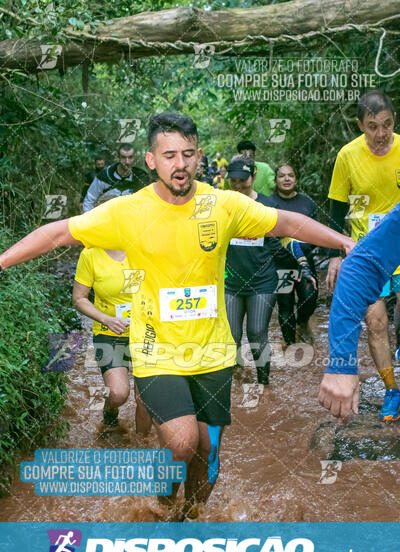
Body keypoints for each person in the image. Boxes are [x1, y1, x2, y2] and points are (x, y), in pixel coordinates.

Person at [0, 111, 354, 519]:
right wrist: (3, 262)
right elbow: (57, 233)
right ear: (152, 160)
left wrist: (343, 241)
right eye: (169, 155)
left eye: (187, 154)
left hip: (214, 353)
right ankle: (164, 504)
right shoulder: (128, 212)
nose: (179, 164)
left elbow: (288, 223)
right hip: (155, 353)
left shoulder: (223, 205)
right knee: (183, 442)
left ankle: (191, 518)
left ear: (199, 156)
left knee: (206, 458)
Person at [326, 90, 400, 421]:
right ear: (360, 125)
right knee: (376, 322)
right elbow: (335, 209)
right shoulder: (347, 156)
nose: (381, 134)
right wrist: (335, 255)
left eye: (387, 125)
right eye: (372, 126)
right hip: (365, 252)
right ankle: (392, 391)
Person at [319, 203, 400, 422]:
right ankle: (392, 389)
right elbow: (357, 268)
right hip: (376, 250)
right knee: (376, 323)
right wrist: (341, 363)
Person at [73, 247, 152, 432]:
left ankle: (142, 447)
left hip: (148, 333)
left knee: (146, 399)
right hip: (110, 333)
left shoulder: (147, 246)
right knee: (118, 394)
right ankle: (109, 413)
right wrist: (106, 319)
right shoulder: (90, 254)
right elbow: (79, 299)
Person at [224, 156, 279, 385]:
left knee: (257, 333)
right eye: (233, 180)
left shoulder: (267, 205)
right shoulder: (223, 205)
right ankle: (235, 379)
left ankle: (264, 384)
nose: (237, 185)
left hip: (262, 281)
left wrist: (303, 266)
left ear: (254, 177)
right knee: (231, 336)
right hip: (229, 282)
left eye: (242, 180)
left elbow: (281, 241)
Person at [268, 164, 318, 345]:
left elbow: (317, 230)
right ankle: (290, 345)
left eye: (290, 175)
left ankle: (303, 322)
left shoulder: (307, 202)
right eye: (282, 176)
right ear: (276, 180)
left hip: (305, 261)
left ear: (296, 179)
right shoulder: (269, 203)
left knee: (310, 298)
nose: (287, 179)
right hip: (281, 262)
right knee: (285, 304)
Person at [82, 143, 149, 212]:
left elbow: (149, 202)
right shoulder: (104, 176)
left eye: (130, 157)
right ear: (118, 158)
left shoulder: (141, 177)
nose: (127, 161)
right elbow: (89, 201)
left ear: (134, 158)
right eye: (123, 157)